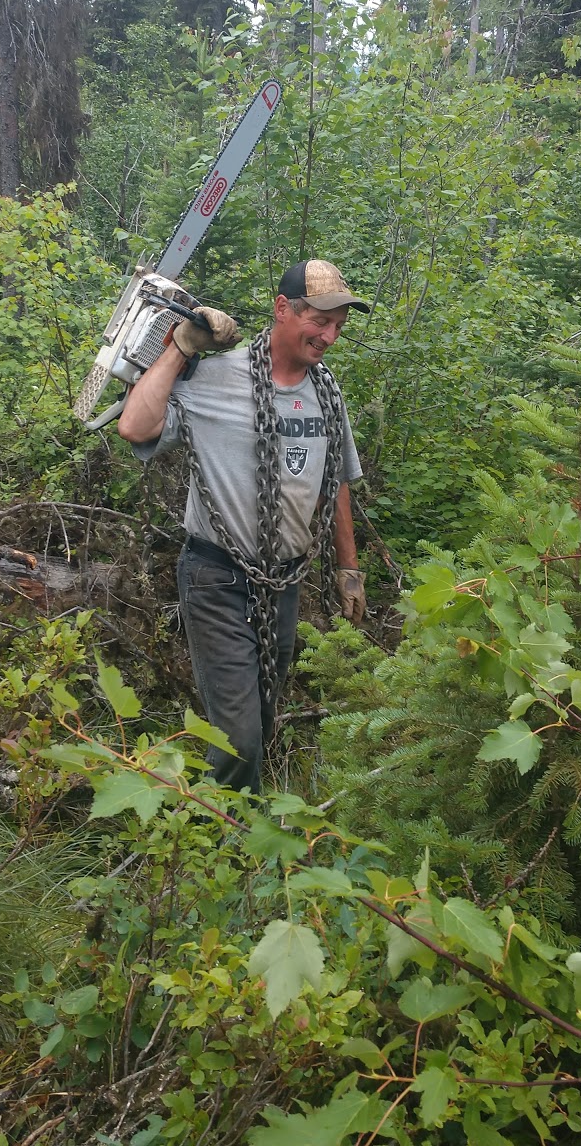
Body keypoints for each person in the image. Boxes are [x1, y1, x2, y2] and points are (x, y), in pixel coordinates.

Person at [117, 260, 368, 793]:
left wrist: (349, 567)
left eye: (339, 325)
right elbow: (134, 425)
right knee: (239, 735)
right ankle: (221, 850)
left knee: (262, 714)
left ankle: (235, 830)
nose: (329, 336)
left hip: (283, 583)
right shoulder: (214, 375)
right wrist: (182, 346)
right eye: (320, 321)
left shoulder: (326, 391)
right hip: (218, 576)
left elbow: (337, 479)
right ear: (283, 309)